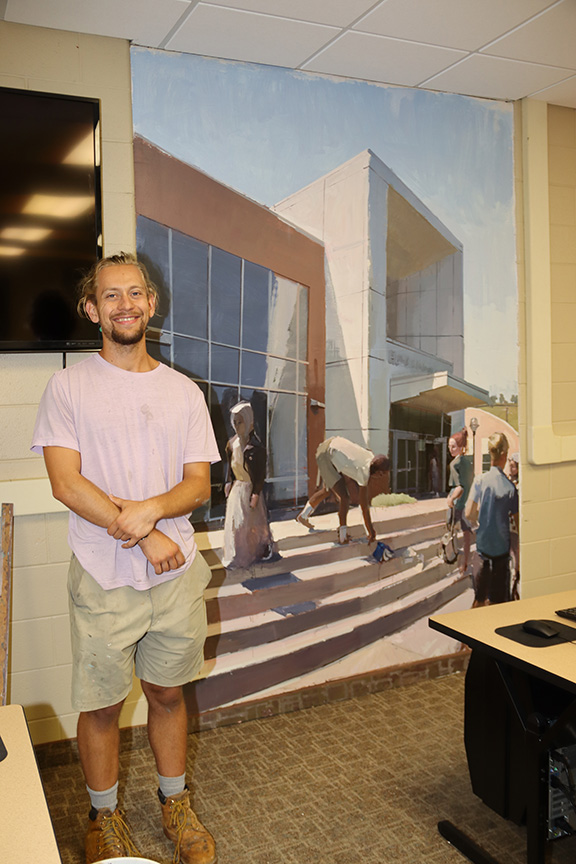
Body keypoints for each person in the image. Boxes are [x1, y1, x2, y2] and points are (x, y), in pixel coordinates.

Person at [31, 252, 220, 864]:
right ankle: (104, 815)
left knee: (167, 694)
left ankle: (174, 801)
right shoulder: (67, 387)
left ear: (152, 304)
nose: (126, 304)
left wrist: (151, 515)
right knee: (104, 703)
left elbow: (198, 486)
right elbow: (67, 483)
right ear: (91, 309)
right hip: (103, 574)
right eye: (111, 296)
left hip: (174, 574)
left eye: (135, 293)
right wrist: (143, 531)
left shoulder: (183, 392)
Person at [296, 436, 390, 544]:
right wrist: (371, 531)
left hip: (331, 446)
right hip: (326, 455)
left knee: (327, 490)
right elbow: (364, 506)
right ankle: (342, 537)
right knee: (345, 498)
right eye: (383, 474)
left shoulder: (370, 457)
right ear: (378, 472)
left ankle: (303, 516)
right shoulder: (364, 473)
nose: (382, 477)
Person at [465, 432, 519, 607]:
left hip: (482, 551)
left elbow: (468, 513)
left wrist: (479, 521)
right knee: (498, 606)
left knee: (479, 601)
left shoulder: (480, 480)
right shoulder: (510, 487)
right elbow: (517, 526)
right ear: (504, 455)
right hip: (501, 555)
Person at [222, 401, 275, 568]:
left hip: (249, 490)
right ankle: (236, 555)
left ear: (249, 421)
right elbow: (230, 465)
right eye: (235, 422)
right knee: (235, 524)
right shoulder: (231, 444)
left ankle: (261, 550)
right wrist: (229, 481)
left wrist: (256, 493)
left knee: (253, 524)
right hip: (237, 489)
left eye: (240, 422)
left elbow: (260, 475)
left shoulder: (256, 447)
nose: (237, 426)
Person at [446, 428, 474, 574]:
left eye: (453, 447)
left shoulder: (454, 464)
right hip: (468, 503)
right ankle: (465, 563)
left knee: (450, 531)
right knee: (467, 534)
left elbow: (459, 487)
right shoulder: (468, 463)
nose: (450, 450)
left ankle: (455, 559)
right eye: (449, 447)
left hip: (458, 504)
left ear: (461, 447)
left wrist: (451, 498)